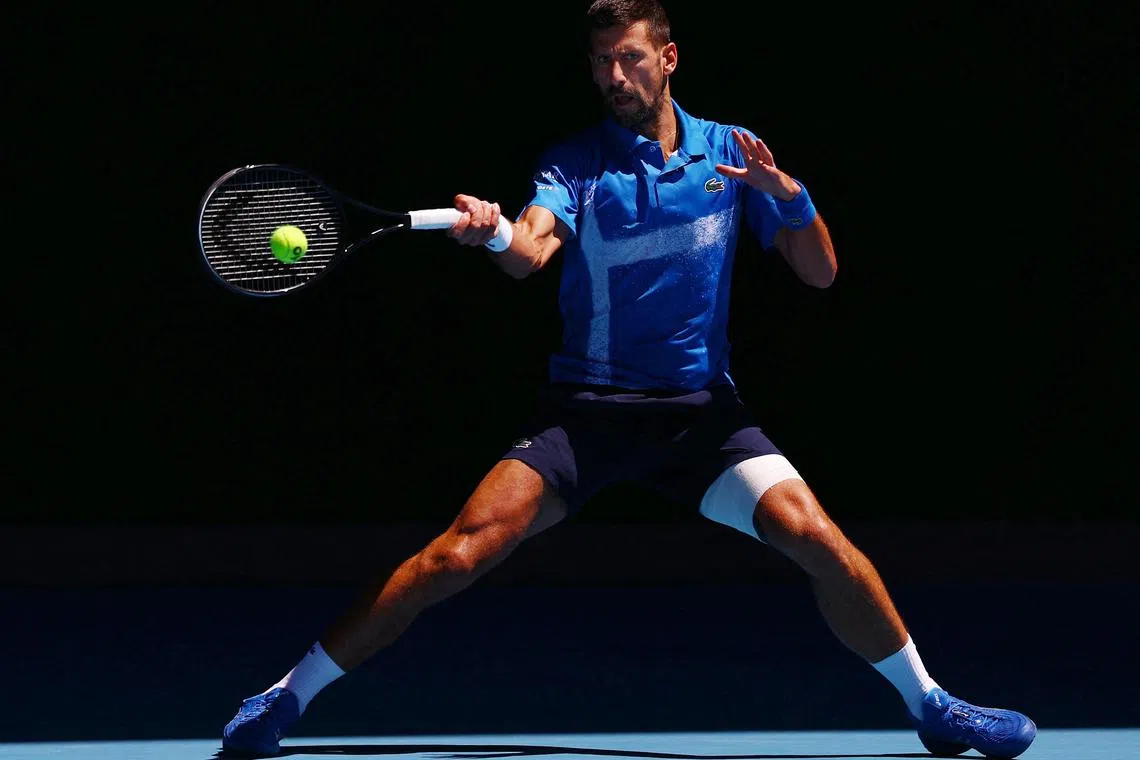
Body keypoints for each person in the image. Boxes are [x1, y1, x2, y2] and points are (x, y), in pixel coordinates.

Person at [222, 1, 1036, 757]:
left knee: (819, 538)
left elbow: (820, 274)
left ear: (668, 59)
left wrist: (786, 194)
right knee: (455, 558)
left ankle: (932, 705)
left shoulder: (732, 153)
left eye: (630, 58)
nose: (615, 76)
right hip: (585, 416)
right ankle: (286, 696)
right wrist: (494, 229)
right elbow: (532, 252)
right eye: (601, 62)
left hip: (700, 420)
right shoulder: (575, 164)